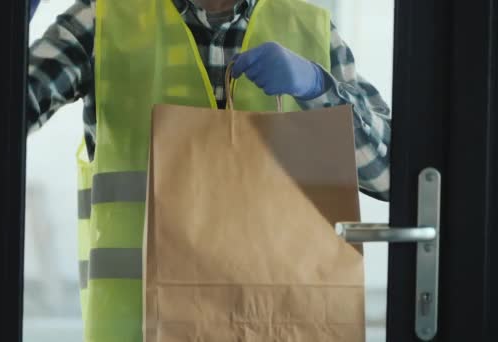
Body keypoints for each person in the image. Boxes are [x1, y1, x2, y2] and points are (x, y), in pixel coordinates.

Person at [27, 0, 391, 341]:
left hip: (281, 325)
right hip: (140, 328)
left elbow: (390, 174)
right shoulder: (103, 18)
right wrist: (0, 24)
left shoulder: (309, 28)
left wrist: (317, 89)